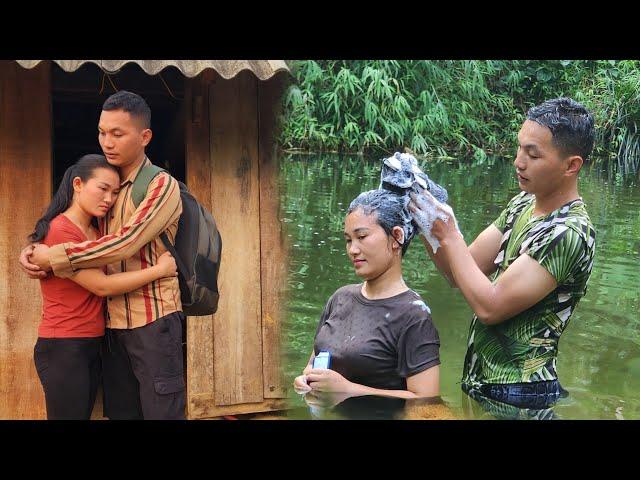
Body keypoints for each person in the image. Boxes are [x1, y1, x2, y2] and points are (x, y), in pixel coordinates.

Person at [409, 97, 597, 411]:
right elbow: (459, 271)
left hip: (521, 395)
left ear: (571, 165)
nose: (518, 162)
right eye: (520, 148)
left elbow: (490, 307)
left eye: (533, 154)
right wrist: (424, 215)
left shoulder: (568, 233)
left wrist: (450, 232)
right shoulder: (523, 203)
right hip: (483, 385)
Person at [20, 91, 185, 420]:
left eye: (117, 134)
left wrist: (53, 256)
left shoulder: (160, 185)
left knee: (162, 412)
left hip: (153, 321)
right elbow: (69, 229)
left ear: (145, 137)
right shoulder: (109, 191)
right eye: (102, 132)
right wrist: (32, 250)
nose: (107, 142)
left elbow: (126, 243)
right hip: (112, 329)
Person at [293, 185, 441, 412]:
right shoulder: (340, 298)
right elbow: (313, 363)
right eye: (348, 240)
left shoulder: (414, 315)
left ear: (396, 237)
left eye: (362, 237)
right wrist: (305, 380)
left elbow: (427, 400)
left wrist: (348, 389)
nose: (352, 249)